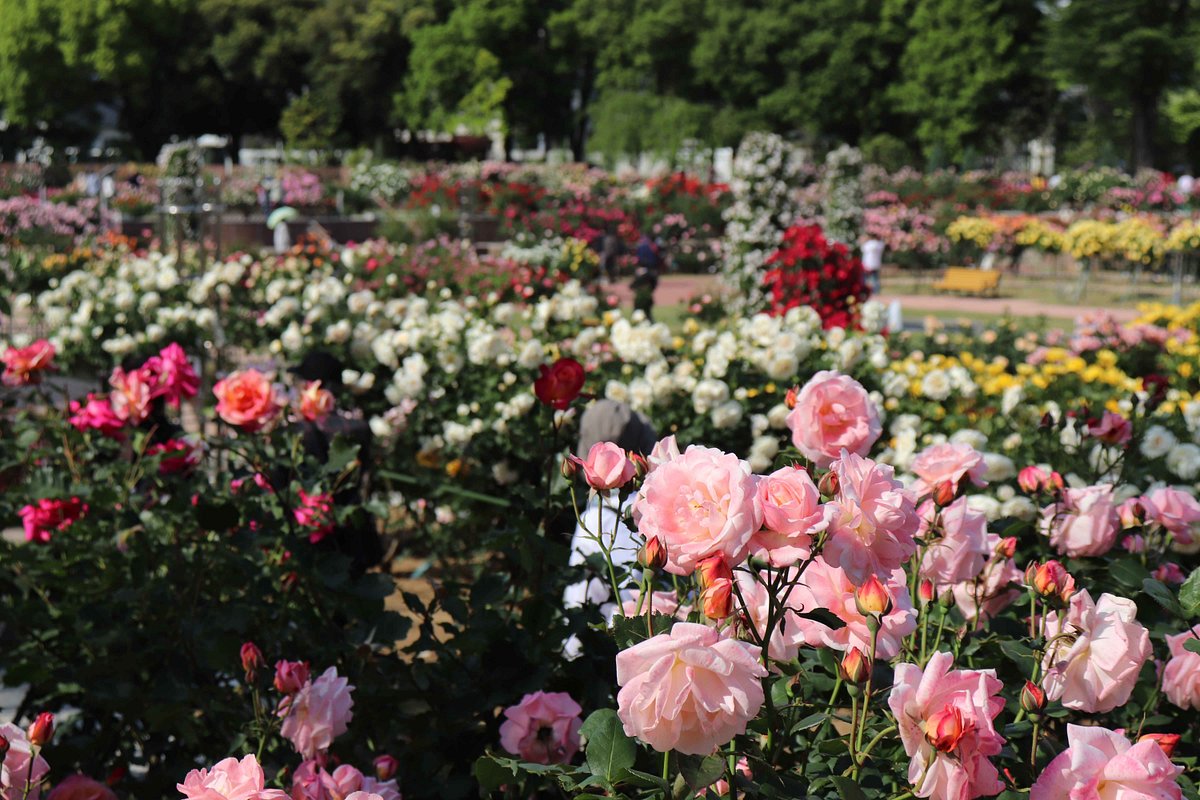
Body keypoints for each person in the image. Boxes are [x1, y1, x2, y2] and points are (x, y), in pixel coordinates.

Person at [562, 400, 657, 660]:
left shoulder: (594, 520)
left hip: (617, 649)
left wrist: (570, 659)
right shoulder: (657, 508)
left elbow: (578, 600)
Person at [631, 234, 661, 318]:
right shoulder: (651, 246)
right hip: (649, 271)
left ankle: (642, 314)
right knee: (645, 293)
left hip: (647, 270)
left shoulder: (645, 246)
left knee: (644, 293)